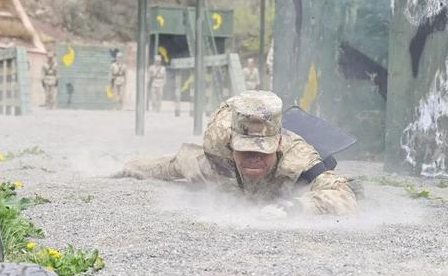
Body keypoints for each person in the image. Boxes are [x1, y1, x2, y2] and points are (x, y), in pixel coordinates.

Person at [121, 90, 357, 216]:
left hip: (282, 184)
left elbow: (342, 194)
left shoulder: (298, 160)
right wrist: (131, 168)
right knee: (173, 166)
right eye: (246, 150)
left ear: (277, 146)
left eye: (262, 151)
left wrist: (295, 207)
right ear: (232, 146)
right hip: (225, 175)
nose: (254, 157)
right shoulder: (217, 146)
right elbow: (178, 163)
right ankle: (125, 165)